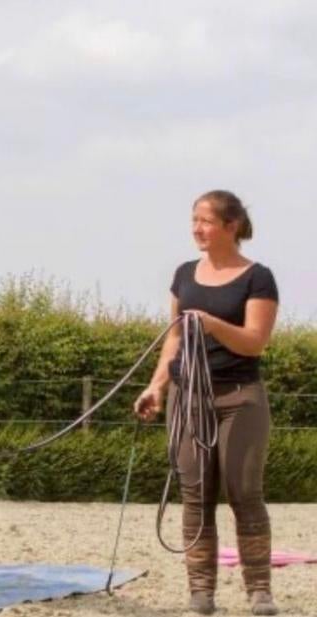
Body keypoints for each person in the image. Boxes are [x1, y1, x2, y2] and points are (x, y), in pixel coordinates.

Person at [134, 190, 280, 616]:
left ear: (230, 226)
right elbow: (174, 339)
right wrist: (157, 387)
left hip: (240, 397)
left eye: (205, 221)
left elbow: (255, 343)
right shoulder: (184, 275)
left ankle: (259, 591)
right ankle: (201, 593)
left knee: (244, 493)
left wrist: (212, 323)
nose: (196, 228)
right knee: (195, 496)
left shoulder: (258, 277)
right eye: (194, 220)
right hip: (188, 397)